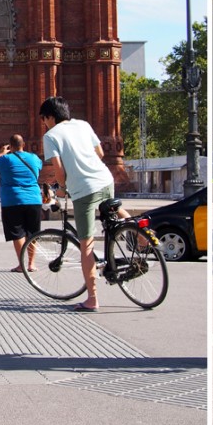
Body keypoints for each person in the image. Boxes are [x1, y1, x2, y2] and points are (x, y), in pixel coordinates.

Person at [39, 96, 130, 312]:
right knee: (113, 208)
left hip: (83, 190)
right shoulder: (83, 124)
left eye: (44, 119)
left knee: (85, 244)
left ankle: (92, 298)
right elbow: (99, 153)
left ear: (50, 117)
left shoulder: (51, 135)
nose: (44, 123)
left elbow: (59, 169)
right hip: (105, 179)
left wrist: (62, 187)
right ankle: (140, 236)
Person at [0, 135, 44, 272]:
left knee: (17, 233)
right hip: (34, 199)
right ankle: (32, 263)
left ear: (10, 146)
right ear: (23, 144)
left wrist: (2, 152)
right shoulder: (34, 158)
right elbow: (40, 168)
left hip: (12, 200)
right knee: (32, 232)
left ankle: (22, 265)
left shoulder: (6, 159)